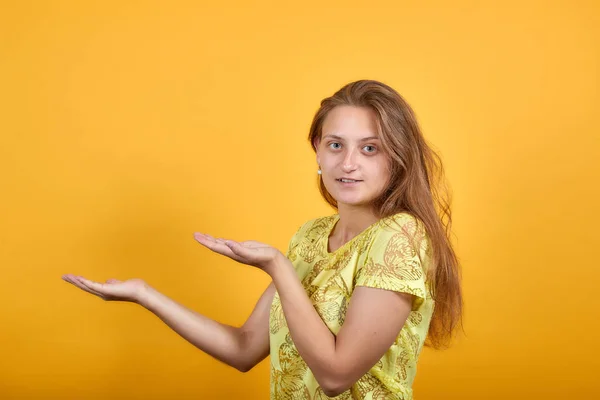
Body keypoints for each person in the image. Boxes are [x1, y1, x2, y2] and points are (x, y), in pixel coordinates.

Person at [62, 79, 463, 399]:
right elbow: (243, 349)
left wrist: (276, 265)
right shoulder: (311, 236)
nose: (348, 163)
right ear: (317, 153)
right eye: (335, 145)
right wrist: (144, 294)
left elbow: (336, 375)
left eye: (370, 148)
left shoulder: (401, 236)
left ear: (397, 158)